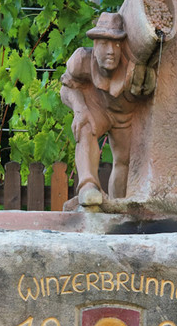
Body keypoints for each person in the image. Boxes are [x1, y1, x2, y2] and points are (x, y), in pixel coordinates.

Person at [60, 12, 152, 207]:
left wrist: (146, 83)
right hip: (97, 108)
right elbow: (67, 87)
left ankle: (119, 206)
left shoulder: (134, 67)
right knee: (84, 126)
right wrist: (79, 109)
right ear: (94, 45)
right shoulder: (81, 60)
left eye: (116, 44)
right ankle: (88, 188)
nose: (111, 51)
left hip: (125, 117)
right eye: (104, 44)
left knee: (124, 162)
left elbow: (149, 89)